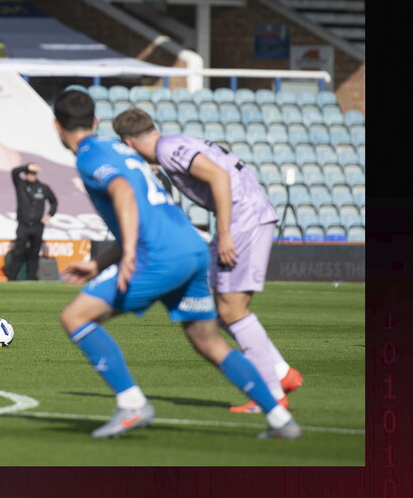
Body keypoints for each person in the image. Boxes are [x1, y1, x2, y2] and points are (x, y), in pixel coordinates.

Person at [51, 89, 300, 439]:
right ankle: (279, 420)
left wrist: (131, 254)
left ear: (56, 126)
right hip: (191, 250)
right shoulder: (120, 149)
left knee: (74, 317)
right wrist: (99, 264)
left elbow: (123, 192)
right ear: (94, 121)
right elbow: (145, 207)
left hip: (159, 258)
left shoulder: (90, 154)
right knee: (209, 342)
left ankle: (131, 404)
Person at [112, 107, 304, 414]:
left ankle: (272, 394)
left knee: (233, 310)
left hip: (243, 221)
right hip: (246, 217)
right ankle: (282, 373)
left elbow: (218, 175)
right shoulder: (174, 143)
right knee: (217, 309)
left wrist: (225, 232)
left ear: (128, 142)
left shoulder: (169, 150)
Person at [6, 163, 58, 281]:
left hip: (37, 225)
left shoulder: (43, 187)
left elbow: (54, 201)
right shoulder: (21, 185)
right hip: (23, 224)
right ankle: (11, 278)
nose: (30, 175)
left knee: (34, 253)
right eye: (28, 173)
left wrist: (50, 214)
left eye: (32, 173)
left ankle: (32, 278)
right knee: (18, 252)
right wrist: (27, 167)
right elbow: (14, 172)